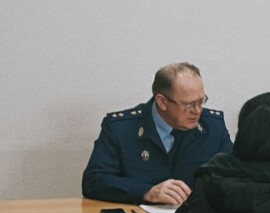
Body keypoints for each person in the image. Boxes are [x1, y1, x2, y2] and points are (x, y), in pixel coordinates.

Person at [82, 62, 232, 205]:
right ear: (162, 102)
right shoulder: (121, 129)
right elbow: (94, 181)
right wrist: (146, 192)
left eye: (201, 101)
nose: (197, 111)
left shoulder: (213, 127)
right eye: (188, 105)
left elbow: (236, 176)